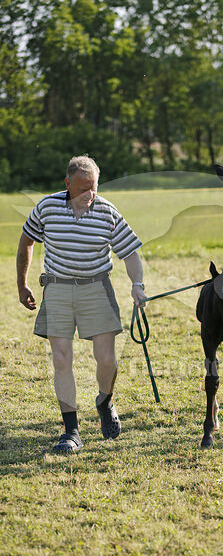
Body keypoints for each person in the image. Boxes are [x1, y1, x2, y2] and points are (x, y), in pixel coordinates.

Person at [16, 155, 147, 453]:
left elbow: (130, 253)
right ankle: (71, 431)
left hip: (97, 289)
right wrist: (21, 283)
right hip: (58, 290)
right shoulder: (47, 207)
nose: (91, 194)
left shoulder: (107, 211)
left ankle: (104, 399)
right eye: (84, 188)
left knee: (107, 359)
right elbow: (26, 240)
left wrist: (137, 285)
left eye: (95, 187)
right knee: (61, 360)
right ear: (67, 184)